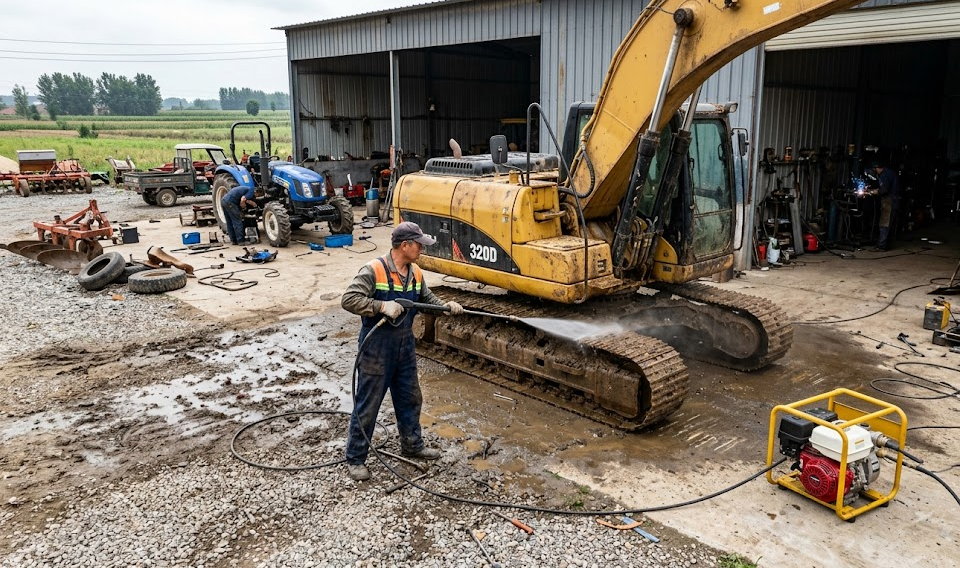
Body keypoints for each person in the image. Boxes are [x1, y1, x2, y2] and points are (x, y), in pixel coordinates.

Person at [340, 221, 464, 481]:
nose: (422, 248)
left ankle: (412, 444)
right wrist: (381, 306)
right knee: (368, 404)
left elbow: (427, 299)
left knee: (410, 398)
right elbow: (349, 299)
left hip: (404, 347)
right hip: (376, 348)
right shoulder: (374, 270)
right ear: (405, 245)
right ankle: (355, 457)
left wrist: (447, 306)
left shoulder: (415, 272)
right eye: (418, 244)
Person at [873, 161, 900, 251]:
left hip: (889, 201)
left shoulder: (885, 175)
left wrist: (876, 191)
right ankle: (885, 244)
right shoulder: (890, 172)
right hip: (893, 200)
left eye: (875, 169)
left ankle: (881, 246)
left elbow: (884, 190)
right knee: (888, 224)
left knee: (884, 224)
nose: (875, 171)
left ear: (878, 168)